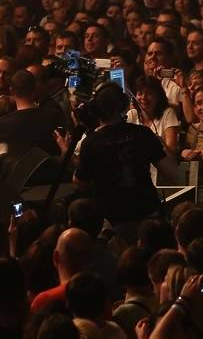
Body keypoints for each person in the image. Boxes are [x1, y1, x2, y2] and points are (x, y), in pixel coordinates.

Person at [74, 82, 176, 240]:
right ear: (123, 105)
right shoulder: (142, 134)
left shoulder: (91, 143)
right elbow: (171, 172)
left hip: (113, 222)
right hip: (147, 216)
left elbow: (81, 184)